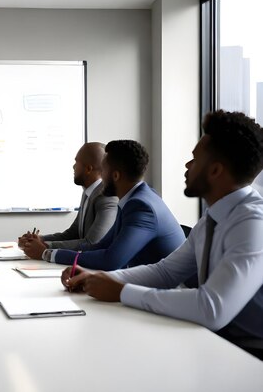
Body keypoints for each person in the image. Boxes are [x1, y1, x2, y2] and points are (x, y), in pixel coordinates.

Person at [65, 110, 263, 360]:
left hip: (250, 354)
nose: (187, 165)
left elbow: (212, 308)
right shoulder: (213, 218)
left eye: (194, 159)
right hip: (215, 342)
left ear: (215, 171)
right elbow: (165, 272)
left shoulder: (253, 222)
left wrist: (122, 291)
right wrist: (102, 277)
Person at [40, 139, 185, 270]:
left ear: (115, 176)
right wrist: (51, 252)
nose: (99, 177)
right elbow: (102, 245)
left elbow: (111, 260)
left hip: (173, 292)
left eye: (103, 170)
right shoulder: (133, 200)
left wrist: (50, 254)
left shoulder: (141, 207)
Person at [18, 142, 118, 258]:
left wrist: (44, 246)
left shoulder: (106, 198)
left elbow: (93, 242)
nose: (73, 166)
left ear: (88, 169)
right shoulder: (88, 193)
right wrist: (38, 239)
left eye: (77, 162)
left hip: (95, 268)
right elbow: (72, 233)